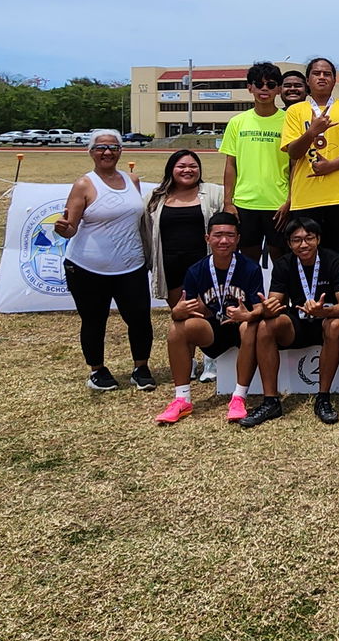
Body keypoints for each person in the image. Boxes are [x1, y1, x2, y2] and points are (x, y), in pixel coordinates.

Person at [55, 130, 153, 393]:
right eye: (100, 148)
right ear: (91, 152)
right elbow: (71, 227)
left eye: (113, 147)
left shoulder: (132, 179)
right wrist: (63, 228)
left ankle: (141, 368)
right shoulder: (84, 185)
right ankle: (97, 370)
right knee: (94, 320)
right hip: (88, 267)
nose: (107, 152)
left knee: (140, 318)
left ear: (121, 151)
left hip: (131, 265)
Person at [155, 213, 265, 425]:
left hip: (242, 326)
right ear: (207, 238)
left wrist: (248, 315)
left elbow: (260, 308)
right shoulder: (196, 270)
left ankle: (239, 397)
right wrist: (177, 312)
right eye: (218, 235)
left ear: (238, 239)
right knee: (178, 328)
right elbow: (181, 311)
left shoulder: (250, 268)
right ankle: (182, 399)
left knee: (249, 327)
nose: (224, 241)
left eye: (230, 235)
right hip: (212, 328)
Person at [259, 216, 339, 426]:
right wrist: (267, 308)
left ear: (318, 239)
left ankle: (323, 398)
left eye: (309, 238)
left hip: (327, 320)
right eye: (296, 240)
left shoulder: (335, 260)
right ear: (289, 244)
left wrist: (323, 311)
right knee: (266, 326)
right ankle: (271, 400)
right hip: (298, 322)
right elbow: (275, 300)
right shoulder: (283, 263)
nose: (303, 244)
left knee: (336, 324)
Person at [279, 57, 339, 255]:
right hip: (307, 198)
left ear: (334, 80)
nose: (322, 77)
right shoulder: (296, 111)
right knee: (310, 258)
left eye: (327, 74)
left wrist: (333, 165)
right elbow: (294, 152)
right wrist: (311, 132)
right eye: (316, 73)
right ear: (307, 80)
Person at [221, 61, 291, 265]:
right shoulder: (237, 122)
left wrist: (290, 200)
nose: (264, 89)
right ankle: (251, 298)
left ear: (278, 89)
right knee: (247, 262)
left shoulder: (289, 120)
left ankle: (279, 299)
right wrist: (228, 202)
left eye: (270, 84)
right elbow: (230, 165)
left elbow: (296, 165)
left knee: (282, 262)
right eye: (258, 84)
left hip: (278, 204)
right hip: (245, 203)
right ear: (249, 87)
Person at [144, 148, 226, 307]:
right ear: (171, 169)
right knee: (181, 316)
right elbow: (145, 230)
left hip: (205, 268)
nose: (187, 170)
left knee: (208, 316)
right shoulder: (155, 197)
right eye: (181, 166)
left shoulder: (215, 193)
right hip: (171, 269)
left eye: (193, 166)